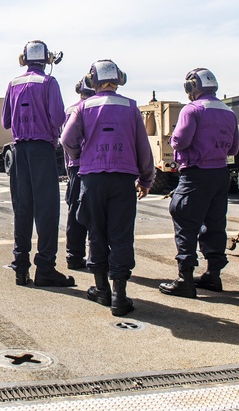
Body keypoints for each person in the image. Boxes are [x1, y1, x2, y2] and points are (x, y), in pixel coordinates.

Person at [61, 60, 153, 316]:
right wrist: (146, 179)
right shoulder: (131, 106)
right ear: (119, 79)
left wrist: (81, 157)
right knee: (121, 235)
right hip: (123, 180)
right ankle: (120, 297)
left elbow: (67, 139)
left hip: (92, 179)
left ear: (93, 81)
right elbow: (142, 147)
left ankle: (101, 290)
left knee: (96, 232)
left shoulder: (83, 107)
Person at [159, 68, 238, 298]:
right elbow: (233, 149)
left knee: (185, 219)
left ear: (192, 87)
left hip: (196, 175)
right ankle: (213, 275)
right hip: (220, 174)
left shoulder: (192, 110)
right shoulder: (228, 112)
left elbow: (181, 141)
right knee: (215, 224)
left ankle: (185, 278)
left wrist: (173, 138)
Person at [2, 40, 72, 287]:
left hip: (19, 151)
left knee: (22, 209)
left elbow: (6, 122)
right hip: (43, 150)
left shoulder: (13, 84)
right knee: (47, 211)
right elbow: (58, 117)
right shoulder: (49, 83)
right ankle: (45, 268)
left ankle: (20, 268)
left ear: (24, 59)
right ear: (47, 60)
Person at [62, 76, 95, 270]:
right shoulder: (100, 108)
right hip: (95, 167)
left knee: (75, 212)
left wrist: (73, 162)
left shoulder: (71, 110)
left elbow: (66, 141)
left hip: (76, 167)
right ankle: (96, 257)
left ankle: (74, 256)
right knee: (98, 214)